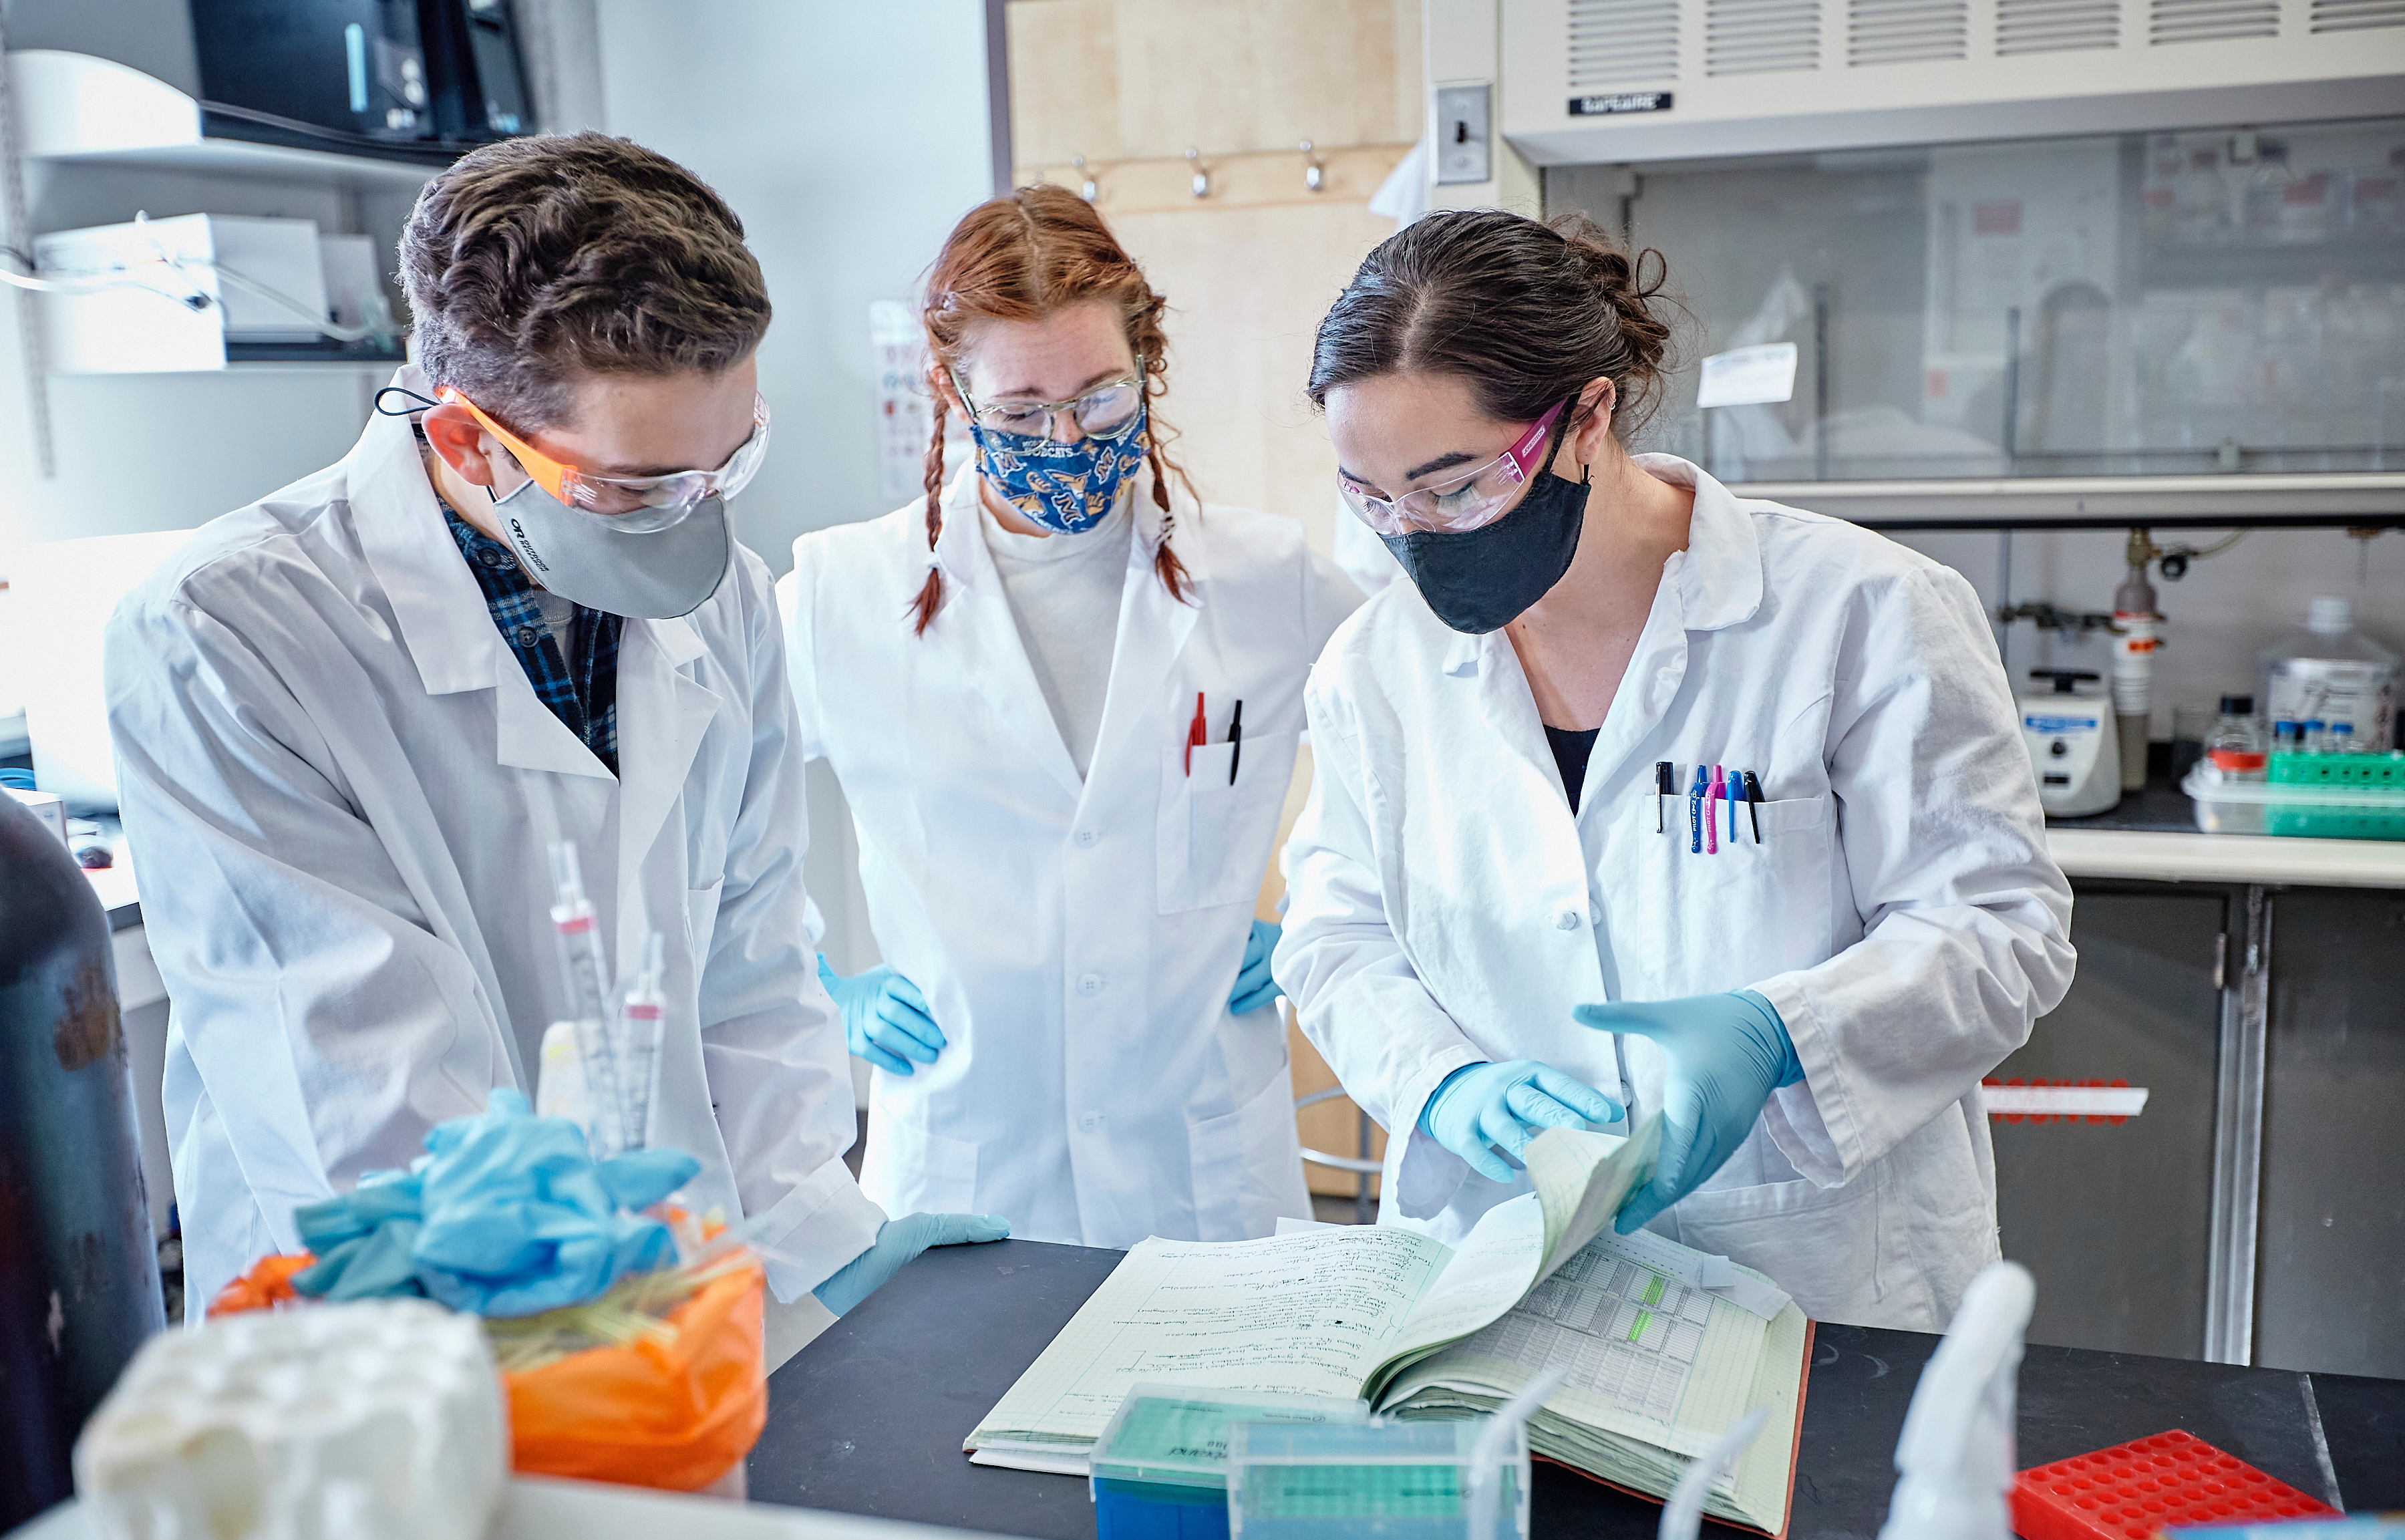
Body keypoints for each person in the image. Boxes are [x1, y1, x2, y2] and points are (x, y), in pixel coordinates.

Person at [106, 133, 1002, 1322]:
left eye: (726, 464)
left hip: (692, 1311)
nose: (693, 521)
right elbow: (358, 1095)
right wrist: (592, 1330)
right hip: (405, 1344)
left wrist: (814, 1250)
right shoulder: (231, 631)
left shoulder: (720, 599)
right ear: (468, 439)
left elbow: (753, 961)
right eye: (636, 489)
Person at [1275, 210, 2074, 1330]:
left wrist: (1785, 1034)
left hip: (1817, 1277)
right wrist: (1441, 1084)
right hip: (1504, 1273)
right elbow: (1336, 933)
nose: (1412, 533)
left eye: (1453, 486)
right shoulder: (1376, 664)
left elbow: (1999, 925)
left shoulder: (1860, 611)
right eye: (1372, 495)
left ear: (1586, 416)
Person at [781, 186, 1362, 1247]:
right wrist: (818, 979)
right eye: (1019, 412)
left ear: (1148, 366)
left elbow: (1428, 745)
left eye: (1099, 398)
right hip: (968, 1151)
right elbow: (697, 813)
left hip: (1199, 1163)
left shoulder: (1264, 579)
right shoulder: (842, 593)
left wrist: (1322, 920)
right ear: (953, 394)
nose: (1064, 437)